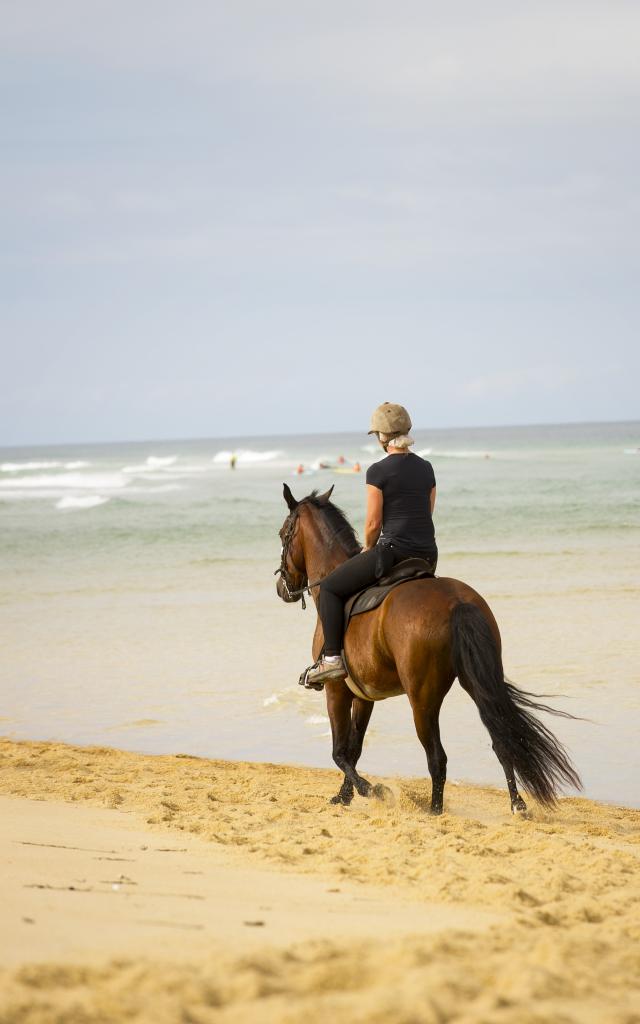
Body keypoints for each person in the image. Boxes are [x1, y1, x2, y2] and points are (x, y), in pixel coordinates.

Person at [304, 402, 437, 687]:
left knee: (328, 588)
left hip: (393, 554)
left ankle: (331, 660)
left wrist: (368, 547)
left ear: (382, 437)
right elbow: (428, 511)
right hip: (427, 556)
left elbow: (373, 524)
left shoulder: (378, 471)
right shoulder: (426, 468)